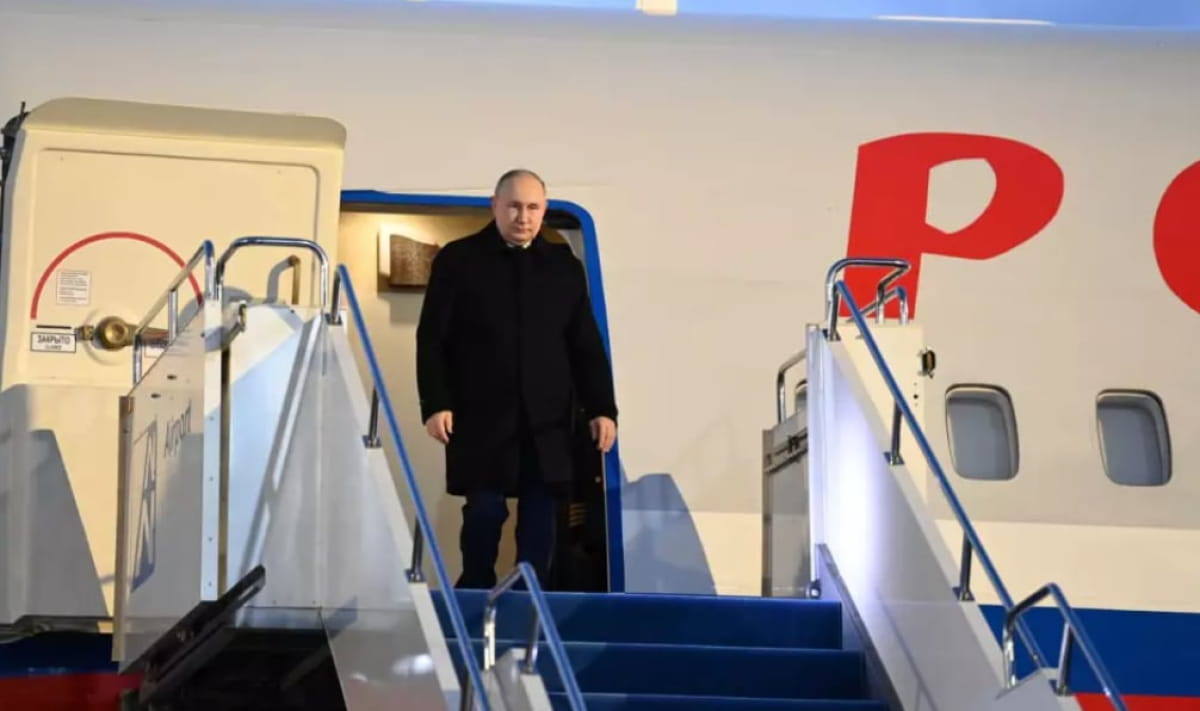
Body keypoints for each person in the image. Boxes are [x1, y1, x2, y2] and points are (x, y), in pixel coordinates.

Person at [415, 168, 618, 589]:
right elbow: (432, 339)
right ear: (495, 205)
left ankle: (530, 597)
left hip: (548, 416)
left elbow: (585, 344)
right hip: (480, 412)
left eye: (532, 207)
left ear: (544, 210)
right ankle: (475, 591)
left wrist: (602, 408)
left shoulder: (563, 267)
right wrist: (436, 403)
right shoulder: (459, 260)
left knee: (542, 511)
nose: (523, 217)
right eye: (513, 206)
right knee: (485, 510)